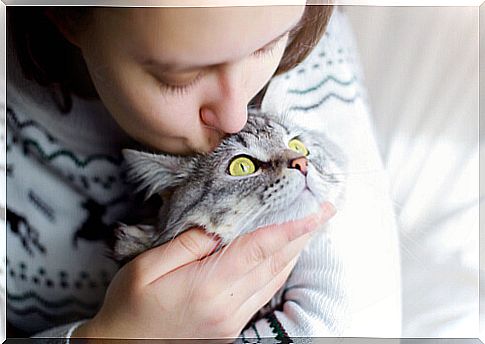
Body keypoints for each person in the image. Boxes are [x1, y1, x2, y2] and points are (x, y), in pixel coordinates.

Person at [5, 3, 401, 342]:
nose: (236, 115)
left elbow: (358, 317)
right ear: (66, 14)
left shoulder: (304, 39)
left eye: (265, 47)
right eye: (180, 76)